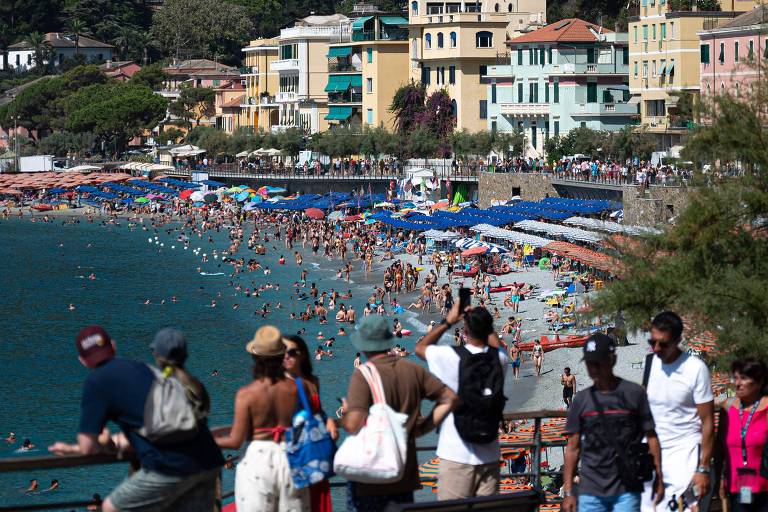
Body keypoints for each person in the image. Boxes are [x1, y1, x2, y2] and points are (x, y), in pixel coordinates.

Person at [48, 326, 224, 512]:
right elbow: (154, 425)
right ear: (113, 346)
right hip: (209, 460)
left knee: (110, 507)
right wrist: (114, 443)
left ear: (82, 361)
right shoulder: (144, 369)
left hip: (172, 466)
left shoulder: (96, 381)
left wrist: (73, 448)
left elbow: (87, 446)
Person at [340, 316, 457, 512]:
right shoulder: (411, 369)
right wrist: (423, 427)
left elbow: (353, 424)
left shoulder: (363, 374)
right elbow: (450, 398)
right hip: (404, 472)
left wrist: (347, 409)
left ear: (363, 344)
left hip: (370, 477)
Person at [415, 302, 508, 500]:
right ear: (489, 328)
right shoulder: (500, 360)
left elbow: (421, 348)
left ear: (465, 331)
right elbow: (496, 346)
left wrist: (448, 321)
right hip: (489, 453)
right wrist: (482, 320)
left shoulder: (451, 357)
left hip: (455, 453)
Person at [563, 333, 664, 512]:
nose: (593, 369)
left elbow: (652, 437)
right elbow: (573, 447)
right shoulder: (581, 400)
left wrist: (659, 478)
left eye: (598, 363)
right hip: (590, 491)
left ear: (613, 360)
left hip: (627, 488)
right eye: (589, 364)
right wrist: (569, 491)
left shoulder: (635, 394)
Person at [215, 325, 311, 511]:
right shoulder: (299, 388)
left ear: (255, 357)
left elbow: (236, 440)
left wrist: (205, 438)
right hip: (291, 458)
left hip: (258, 461)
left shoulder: (247, 394)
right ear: (282, 355)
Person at [641, 312, 714, 512]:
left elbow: (707, 422)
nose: (656, 348)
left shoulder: (695, 369)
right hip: (652, 458)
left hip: (685, 458)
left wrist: (703, 468)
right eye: (652, 341)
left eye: (663, 344)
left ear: (678, 340)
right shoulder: (650, 364)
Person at [283, 334, 338, 512]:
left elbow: (317, 411)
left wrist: (328, 419)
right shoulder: (278, 384)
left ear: (302, 355)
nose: (286, 356)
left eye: (291, 352)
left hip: (313, 449)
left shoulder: (313, 381)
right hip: (292, 451)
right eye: (282, 352)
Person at [717, 357, 768, 512]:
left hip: (765, 487)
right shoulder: (727, 408)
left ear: (759, 383)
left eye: (744, 378)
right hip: (736, 485)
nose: (737, 383)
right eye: (736, 378)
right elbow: (719, 449)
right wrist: (720, 480)